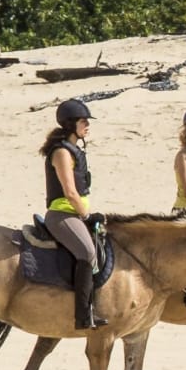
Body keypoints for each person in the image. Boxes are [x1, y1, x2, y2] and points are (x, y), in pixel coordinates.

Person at [41, 98, 108, 329]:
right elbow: (70, 192)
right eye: (83, 121)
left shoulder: (74, 150)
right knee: (87, 252)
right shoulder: (61, 153)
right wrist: (87, 216)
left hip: (76, 214)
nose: (87, 125)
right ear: (71, 125)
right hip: (62, 216)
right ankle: (82, 315)